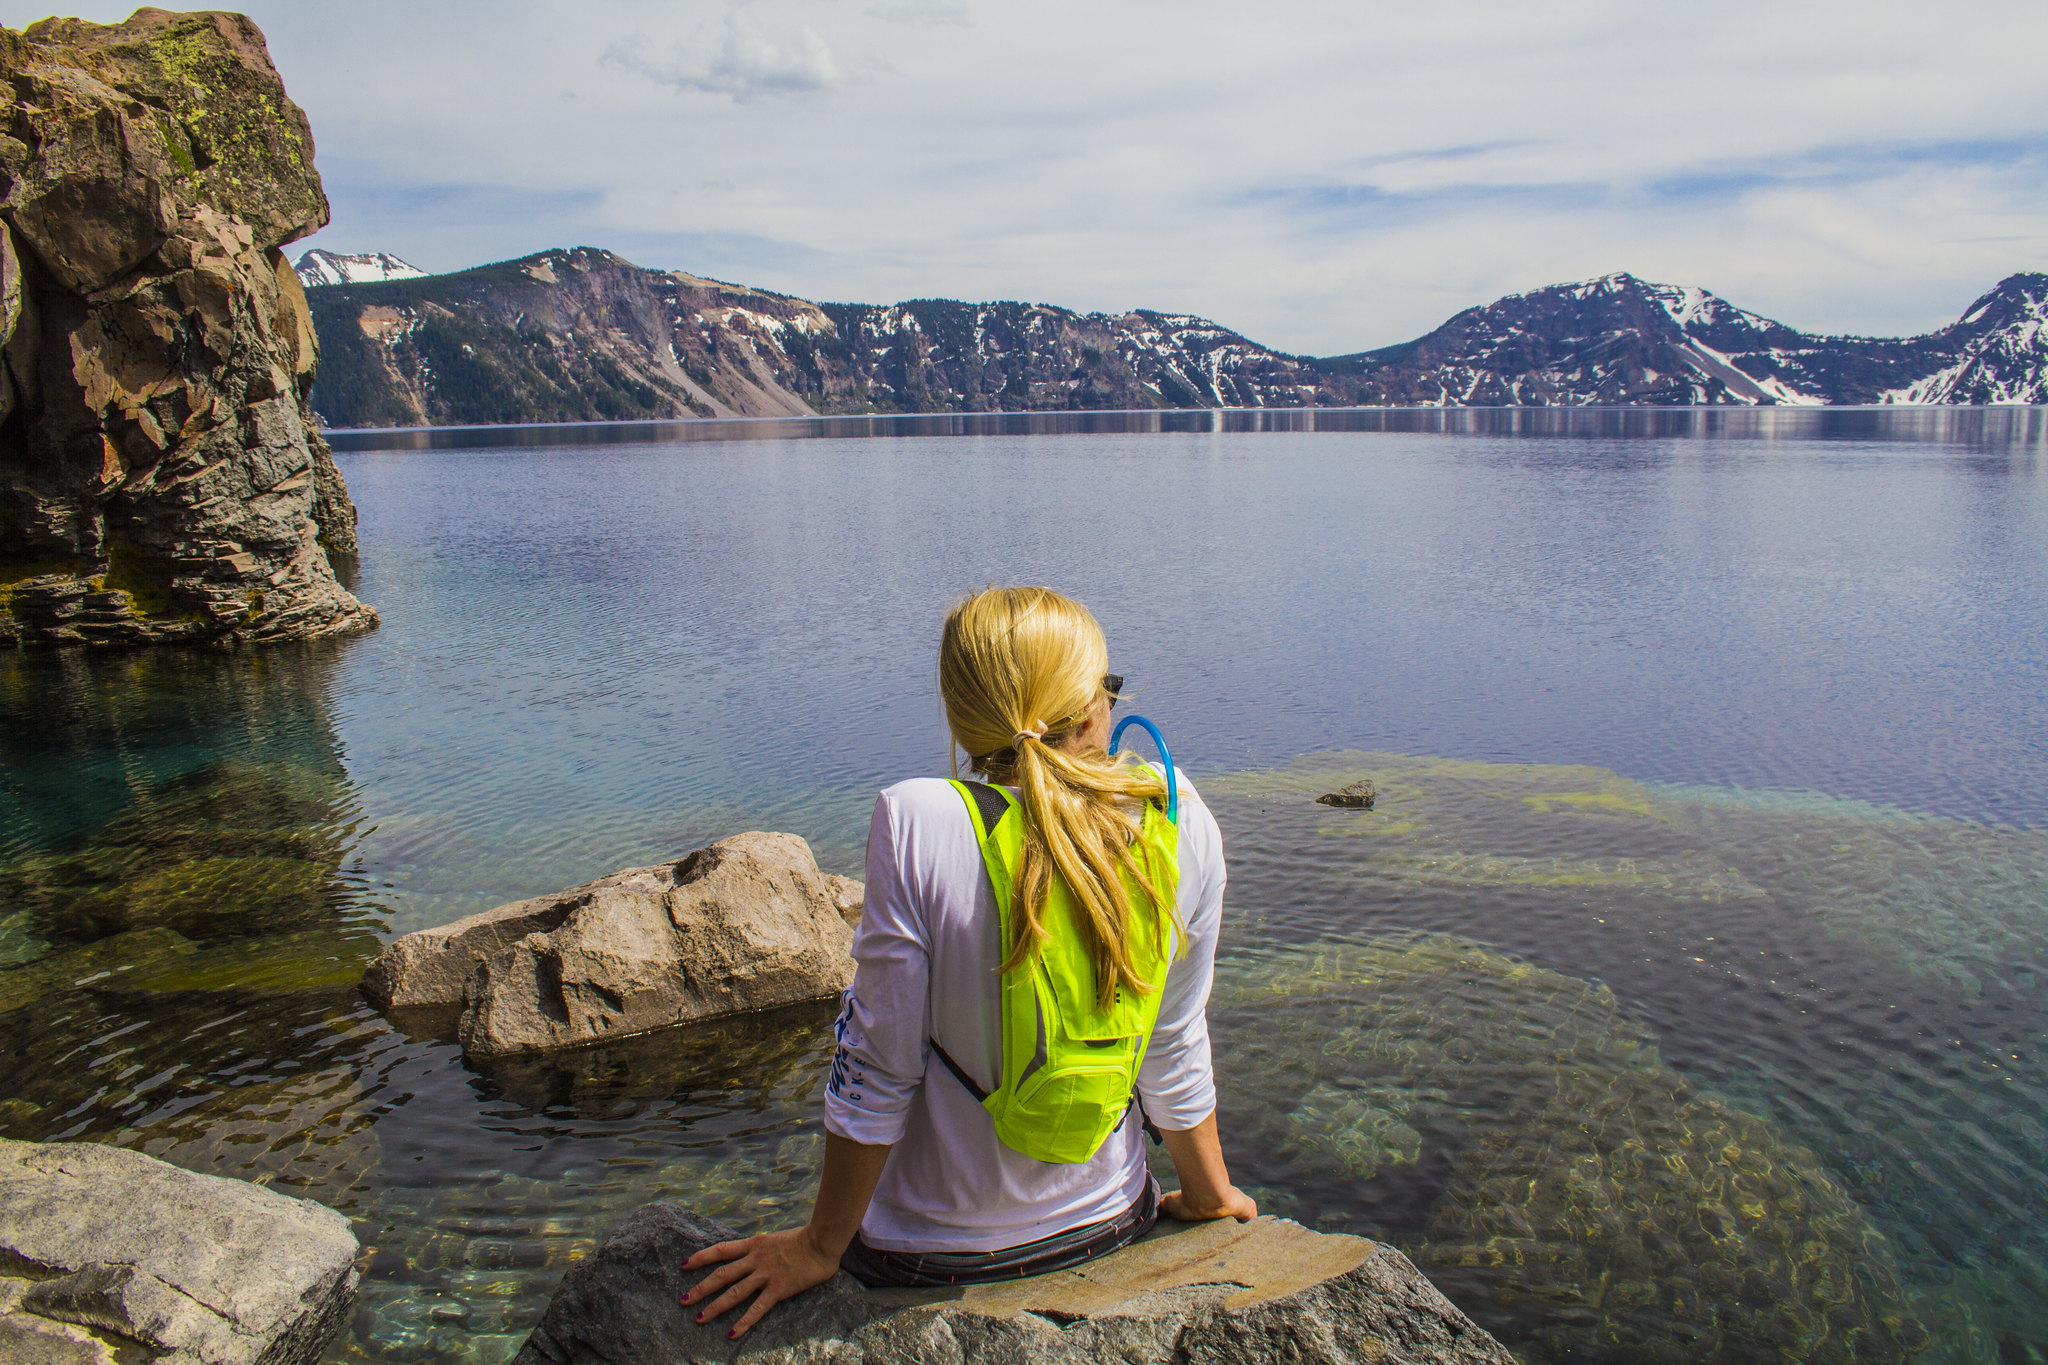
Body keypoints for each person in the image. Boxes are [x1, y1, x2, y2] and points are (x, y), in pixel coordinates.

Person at [682, 586, 1255, 1340]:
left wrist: (818, 1246)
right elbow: (1173, 1039)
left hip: (931, 1258)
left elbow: (878, 1069)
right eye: (1109, 687)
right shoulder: (1180, 821)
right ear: (1089, 711)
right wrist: (1210, 1194)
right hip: (1109, 1222)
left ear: (964, 717)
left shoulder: (919, 819)